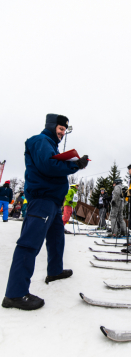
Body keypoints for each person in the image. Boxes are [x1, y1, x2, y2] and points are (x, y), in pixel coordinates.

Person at [2, 113, 89, 311]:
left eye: (65, 130)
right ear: (51, 126)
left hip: (53, 201)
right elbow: (48, 165)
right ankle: (14, 293)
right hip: (42, 199)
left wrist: (73, 164)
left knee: (57, 237)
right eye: (60, 129)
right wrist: (74, 164)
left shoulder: (50, 144)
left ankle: (54, 271)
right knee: (29, 244)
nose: (62, 133)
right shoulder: (40, 140)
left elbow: (53, 163)